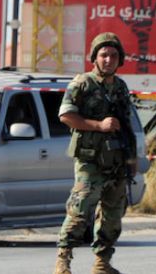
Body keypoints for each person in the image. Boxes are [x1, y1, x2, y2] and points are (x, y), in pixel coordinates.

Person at [53, 32, 138, 274]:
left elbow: (127, 125)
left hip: (117, 162)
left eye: (113, 55)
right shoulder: (82, 84)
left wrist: (131, 159)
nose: (108, 60)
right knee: (79, 211)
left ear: (119, 59)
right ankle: (63, 262)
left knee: (112, 216)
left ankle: (102, 263)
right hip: (90, 161)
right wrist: (98, 125)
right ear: (95, 58)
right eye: (104, 55)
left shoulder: (120, 88)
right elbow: (66, 116)